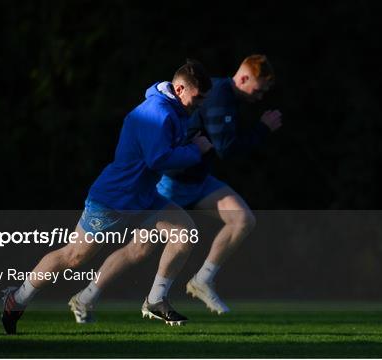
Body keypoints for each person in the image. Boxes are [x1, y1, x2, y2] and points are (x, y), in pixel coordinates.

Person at [1, 59, 213, 334]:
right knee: (74, 257)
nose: (198, 105)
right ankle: (17, 299)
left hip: (144, 196)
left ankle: (156, 299)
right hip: (114, 199)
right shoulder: (158, 111)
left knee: (184, 233)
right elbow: (157, 158)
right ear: (180, 88)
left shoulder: (174, 108)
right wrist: (195, 151)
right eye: (197, 99)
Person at [71, 54, 282, 320]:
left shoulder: (224, 96)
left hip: (198, 180)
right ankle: (87, 296)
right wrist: (262, 129)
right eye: (259, 89)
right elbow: (225, 148)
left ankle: (201, 280)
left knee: (242, 218)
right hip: (172, 182)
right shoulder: (218, 96)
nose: (260, 96)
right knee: (139, 249)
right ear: (243, 78)